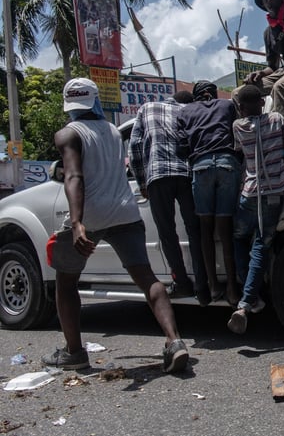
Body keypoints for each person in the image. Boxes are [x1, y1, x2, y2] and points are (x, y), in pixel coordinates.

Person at [43, 78, 188, 372]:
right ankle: (175, 342)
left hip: (92, 214)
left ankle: (74, 352)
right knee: (147, 279)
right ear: (95, 101)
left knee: (66, 282)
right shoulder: (111, 131)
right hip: (125, 212)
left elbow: (73, 177)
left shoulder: (68, 134)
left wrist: (77, 222)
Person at [227, 85, 284, 334]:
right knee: (261, 245)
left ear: (240, 107)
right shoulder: (276, 118)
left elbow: (241, 153)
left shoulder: (238, 127)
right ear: (262, 102)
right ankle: (246, 303)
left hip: (250, 193)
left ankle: (251, 296)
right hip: (273, 192)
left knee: (239, 237)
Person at [128, 90, 207, 302]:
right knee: (195, 231)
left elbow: (134, 146)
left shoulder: (147, 108)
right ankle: (202, 284)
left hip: (158, 174)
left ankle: (181, 282)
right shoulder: (190, 111)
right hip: (187, 174)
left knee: (167, 232)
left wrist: (142, 181)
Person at [177, 80, 241, 307]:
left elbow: (181, 147)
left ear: (196, 97)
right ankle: (233, 288)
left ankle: (213, 285)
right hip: (227, 164)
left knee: (205, 228)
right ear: (213, 94)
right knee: (225, 230)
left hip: (201, 167)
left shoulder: (185, 111)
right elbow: (238, 134)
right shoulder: (227, 106)